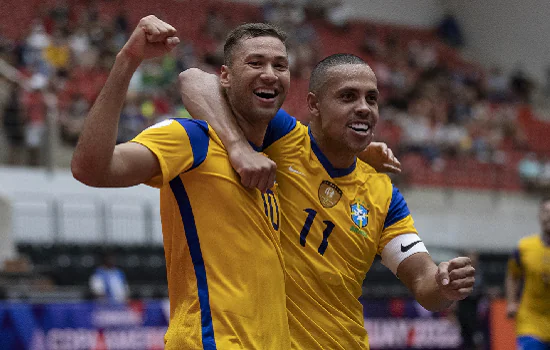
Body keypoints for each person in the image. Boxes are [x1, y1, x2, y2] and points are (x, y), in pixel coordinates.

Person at [179, 54, 476, 349]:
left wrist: (443, 284)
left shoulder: (384, 195)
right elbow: (194, 80)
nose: (364, 108)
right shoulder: (281, 138)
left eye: (371, 99)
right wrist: (237, 146)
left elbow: (423, 282)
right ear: (313, 105)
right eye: (348, 97)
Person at [71, 16, 294, 349]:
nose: (269, 74)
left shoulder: (272, 158)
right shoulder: (191, 137)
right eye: (255, 63)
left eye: (280, 65)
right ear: (225, 78)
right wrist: (127, 61)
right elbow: (92, 169)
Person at [506, 196, 550, 349]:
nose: (549, 216)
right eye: (545, 212)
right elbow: (513, 275)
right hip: (530, 322)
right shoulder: (524, 247)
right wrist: (511, 302)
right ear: (539, 215)